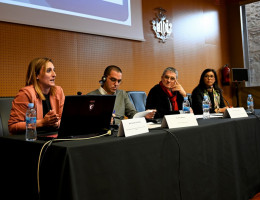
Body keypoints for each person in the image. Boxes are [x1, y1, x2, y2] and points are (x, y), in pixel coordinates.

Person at [8, 57, 65, 135]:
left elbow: (63, 119)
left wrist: (57, 123)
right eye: (48, 71)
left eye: (54, 70)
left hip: (54, 138)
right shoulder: (25, 93)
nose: (54, 74)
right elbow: (13, 126)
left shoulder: (58, 91)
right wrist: (42, 122)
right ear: (37, 75)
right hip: (33, 141)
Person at [87, 65, 156, 125]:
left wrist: (143, 115)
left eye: (119, 81)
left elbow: (132, 113)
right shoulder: (90, 97)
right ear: (104, 79)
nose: (116, 84)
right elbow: (87, 121)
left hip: (119, 132)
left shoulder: (122, 94)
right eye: (113, 80)